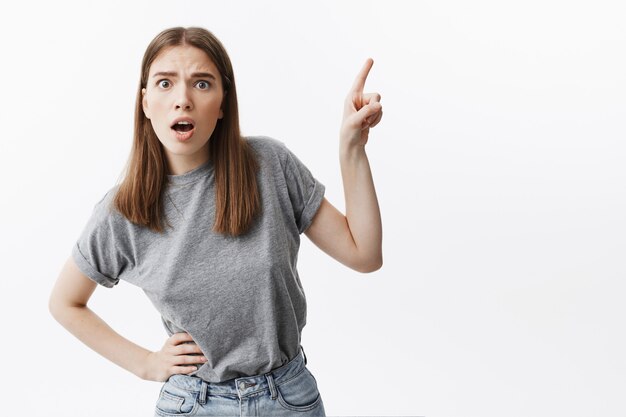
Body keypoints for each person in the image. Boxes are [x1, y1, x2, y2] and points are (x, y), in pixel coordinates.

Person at [48, 26, 383, 417]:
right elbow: (65, 303)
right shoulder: (123, 211)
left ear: (223, 102)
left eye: (202, 83)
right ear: (145, 102)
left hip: (288, 399)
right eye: (165, 83)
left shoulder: (269, 165)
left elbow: (365, 254)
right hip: (193, 404)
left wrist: (351, 148)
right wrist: (145, 363)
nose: (182, 100)